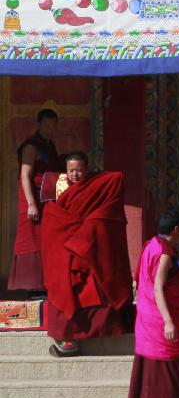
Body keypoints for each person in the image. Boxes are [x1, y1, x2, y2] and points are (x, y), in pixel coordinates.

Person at [41, 152, 134, 357]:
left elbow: (108, 210)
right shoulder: (58, 186)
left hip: (89, 245)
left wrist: (88, 231)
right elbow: (53, 218)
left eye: (80, 170)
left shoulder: (98, 184)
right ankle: (67, 341)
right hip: (66, 244)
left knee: (93, 284)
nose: (76, 174)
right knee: (63, 284)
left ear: (87, 169)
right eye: (71, 170)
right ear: (66, 172)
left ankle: (77, 339)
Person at [128, 209, 179, 398]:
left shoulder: (150, 245)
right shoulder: (165, 252)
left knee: (153, 372)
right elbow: (158, 286)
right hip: (160, 320)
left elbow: (141, 278)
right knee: (168, 372)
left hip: (147, 318)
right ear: (176, 230)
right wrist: (168, 321)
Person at [8, 108, 62, 295]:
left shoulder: (50, 145)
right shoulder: (31, 146)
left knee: (45, 239)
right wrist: (31, 203)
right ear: (38, 125)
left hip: (46, 198)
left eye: (52, 126)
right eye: (46, 126)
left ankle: (43, 284)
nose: (49, 130)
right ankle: (28, 286)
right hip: (32, 199)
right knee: (30, 239)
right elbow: (25, 175)